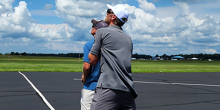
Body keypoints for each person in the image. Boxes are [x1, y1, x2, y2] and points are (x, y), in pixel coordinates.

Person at [89, 4, 138, 110]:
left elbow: (92, 60)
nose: (105, 14)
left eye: (108, 11)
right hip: (128, 90)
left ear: (113, 16)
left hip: (108, 87)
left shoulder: (101, 32)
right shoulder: (128, 38)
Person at [81, 19, 108, 110]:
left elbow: (86, 66)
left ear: (98, 31)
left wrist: (84, 77)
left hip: (91, 86)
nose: (92, 27)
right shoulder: (109, 46)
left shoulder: (89, 45)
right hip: (107, 88)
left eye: (94, 26)